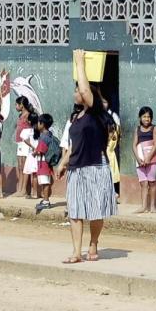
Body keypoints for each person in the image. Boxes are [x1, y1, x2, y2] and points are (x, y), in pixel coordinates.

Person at [55, 50, 117, 264]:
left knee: (95, 211)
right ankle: (76, 252)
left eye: (78, 90)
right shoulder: (76, 117)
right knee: (75, 211)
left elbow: (84, 87)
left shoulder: (97, 113)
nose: (76, 92)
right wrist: (63, 163)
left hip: (96, 166)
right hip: (76, 167)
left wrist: (80, 63)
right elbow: (73, 145)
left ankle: (94, 243)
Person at [133, 106, 156, 214]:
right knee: (143, 183)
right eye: (144, 116)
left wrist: (149, 157)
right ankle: (143, 206)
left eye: (148, 117)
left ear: (151, 118)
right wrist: (138, 159)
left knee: (151, 182)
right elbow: (134, 145)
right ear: (140, 117)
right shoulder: (137, 129)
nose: (146, 119)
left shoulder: (154, 128)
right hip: (140, 160)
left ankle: (152, 206)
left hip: (152, 159)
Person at [33, 113, 59, 211]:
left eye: (38, 123)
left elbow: (41, 150)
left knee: (45, 182)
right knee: (45, 182)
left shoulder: (43, 137)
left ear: (42, 124)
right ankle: (45, 200)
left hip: (43, 163)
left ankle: (46, 201)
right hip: (45, 162)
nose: (37, 125)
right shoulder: (49, 134)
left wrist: (35, 153)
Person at [14, 96, 35, 198]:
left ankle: (24, 190)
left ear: (22, 105)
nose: (16, 106)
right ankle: (20, 189)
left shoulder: (28, 116)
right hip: (20, 143)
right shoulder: (21, 115)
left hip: (25, 143)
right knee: (20, 166)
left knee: (24, 166)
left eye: (17, 104)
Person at [20, 112, 40, 199]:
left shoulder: (31, 131)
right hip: (37, 154)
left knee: (34, 174)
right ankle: (36, 192)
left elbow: (24, 139)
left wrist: (32, 146)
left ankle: (35, 193)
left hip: (33, 154)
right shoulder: (39, 130)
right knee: (35, 174)